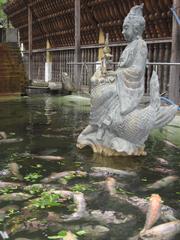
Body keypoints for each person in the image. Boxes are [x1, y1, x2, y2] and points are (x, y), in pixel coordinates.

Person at [77, 4, 147, 143]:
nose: (122, 32)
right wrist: (113, 74)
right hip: (122, 81)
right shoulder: (129, 46)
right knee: (98, 85)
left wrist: (117, 74)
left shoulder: (140, 45)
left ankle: (99, 125)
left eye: (126, 28)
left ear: (136, 28)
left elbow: (138, 70)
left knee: (103, 92)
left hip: (130, 86)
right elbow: (122, 67)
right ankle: (97, 124)